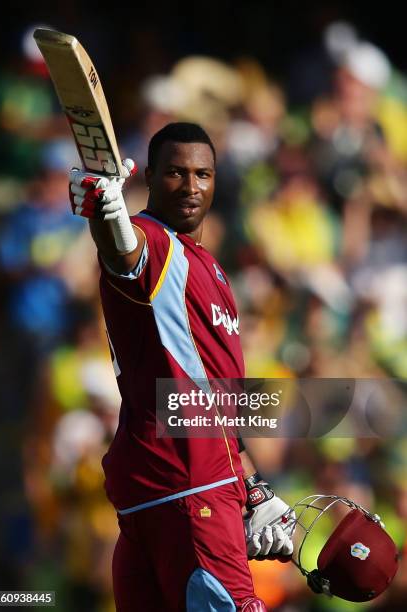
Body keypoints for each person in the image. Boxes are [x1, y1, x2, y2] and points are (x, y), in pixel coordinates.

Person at [68, 122, 294, 611]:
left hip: (167, 485)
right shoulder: (152, 240)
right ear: (149, 176)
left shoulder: (211, 266)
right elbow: (121, 249)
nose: (191, 187)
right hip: (191, 486)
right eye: (175, 173)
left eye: (202, 174)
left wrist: (251, 486)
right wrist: (106, 213)